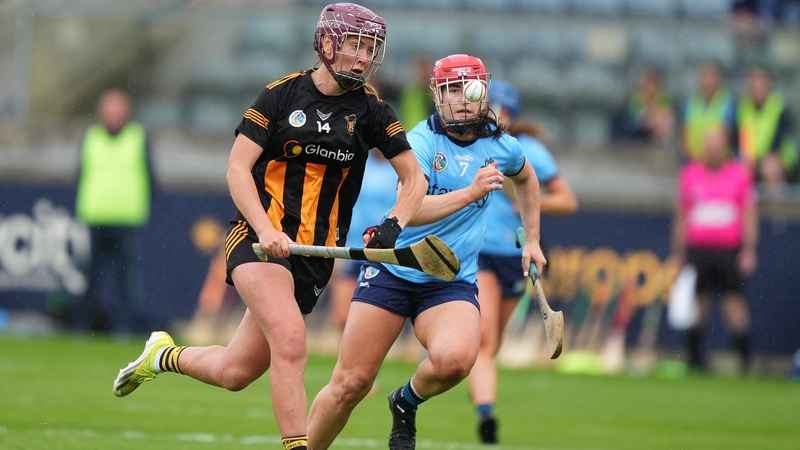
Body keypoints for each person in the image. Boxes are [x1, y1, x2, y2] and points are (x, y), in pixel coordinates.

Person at [111, 4, 428, 450]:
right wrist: (264, 229)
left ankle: (162, 355)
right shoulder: (281, 95)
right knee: (291, 339)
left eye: (370, 49)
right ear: (327, 44)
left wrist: (394, 224)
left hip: (315, 257)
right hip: (258, 242)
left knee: (235, 373)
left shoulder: (373, 110)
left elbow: (415, 178)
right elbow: (238, 170)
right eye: (355, 45)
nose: (362, 58)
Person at [307, 54, 547, 450]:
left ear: (482, 93)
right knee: (350, 383)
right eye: (450, 90)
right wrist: (470, 192)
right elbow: (410, 210)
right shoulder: (419, 141)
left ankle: (405, 401)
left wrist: (533, 239)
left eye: (468, 89)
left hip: (448, 280)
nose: (460, 99)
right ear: (437, 96)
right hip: (395, 269)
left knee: (456, 360)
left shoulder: (502, 146)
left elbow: (527, 178)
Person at [468, 80, 578, 444]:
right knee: (484, 339)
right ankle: (486, 413)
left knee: (493, 341)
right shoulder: (468, 145)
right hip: (478, 253)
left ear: (510, 114)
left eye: (499, 109)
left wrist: (530, 201)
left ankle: (481, 391)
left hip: (515, 257)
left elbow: (567, 200)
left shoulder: (525, 150)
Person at [670, 127, 758, 374]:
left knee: (733, 302)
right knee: (699, 303)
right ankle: (695, 358)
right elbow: (682, 215)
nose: (710, 150)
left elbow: (750, 215)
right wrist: (679, 252)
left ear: (725, 147)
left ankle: (745, 360)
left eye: (715, 145)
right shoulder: (690, 174)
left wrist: (749, 249)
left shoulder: (740, 175)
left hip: (728, 250)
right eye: (707, 145)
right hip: (698, 249)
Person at [73, 89, 154, 336]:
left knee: (127, 281)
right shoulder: (91, 137)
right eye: (109, 111)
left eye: (117, 111)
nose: (113, 117)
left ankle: (125, 329)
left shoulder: (138, 138)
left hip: (127, 219)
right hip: (95, 217)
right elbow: (80, 174)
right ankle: (81, 328)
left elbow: (151, 177)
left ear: (126, 113)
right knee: (90, 278)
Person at [732, 66, 798, 202]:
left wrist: (759, 161)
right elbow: (739, 138)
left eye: (761, 84)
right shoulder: (742, 108)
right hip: (752, 159)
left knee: (770, 169)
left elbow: (779, 140)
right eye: (754, 85)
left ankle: (776, 213)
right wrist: (746, 160)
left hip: (779, 158)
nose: (758, 89)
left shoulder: (779, 107)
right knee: (737, 170)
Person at [679, 62, 736, 162]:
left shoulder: (728, 103)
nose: (708, 81)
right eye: (705, 76)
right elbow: (685, 134)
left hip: (719, 161)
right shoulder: (689, 102)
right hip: (694, 159)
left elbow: (727, 134)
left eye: (712, 76)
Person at [610, 68, 675, 145]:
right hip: (637, 133)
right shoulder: (636, 99)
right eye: (648, 85)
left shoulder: (663, 99)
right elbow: (639, 119)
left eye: (653, 85)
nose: (651, 89)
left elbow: (665, 116)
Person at [398, 55, 435, 130]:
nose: (422, 74)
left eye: (424, 70)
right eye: (419, 71)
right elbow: (410, 117)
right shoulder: (411, 93)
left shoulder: (433, 92)